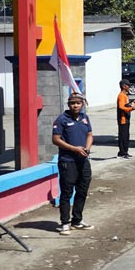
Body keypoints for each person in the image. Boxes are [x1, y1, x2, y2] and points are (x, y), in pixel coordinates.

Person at [52, 92, 94, 235]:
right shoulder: (62, 120)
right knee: (67, 192)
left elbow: (89, 134)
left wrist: (87, 148)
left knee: (82, 190)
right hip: (67, 162)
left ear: (82, 104)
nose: (75, 106)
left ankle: (77, 220)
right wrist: (74, 149)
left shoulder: (85, 118)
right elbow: (56, 139)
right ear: (68, 105)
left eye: (77, 103)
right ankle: (65, 222)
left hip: (83, 161)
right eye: (72, 103)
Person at [116, 79, 135, 158]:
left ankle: (125, 152)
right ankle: (122, 153)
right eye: (128, 85)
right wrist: (132, 108)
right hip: (123, 119)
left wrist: (131, 104)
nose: (129, 87)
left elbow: (125, 105)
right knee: (123, 136)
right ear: (123, 86)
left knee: (126, 136)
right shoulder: (121, 95)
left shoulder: (125, 95)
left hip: (126, 118)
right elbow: (121, 107)